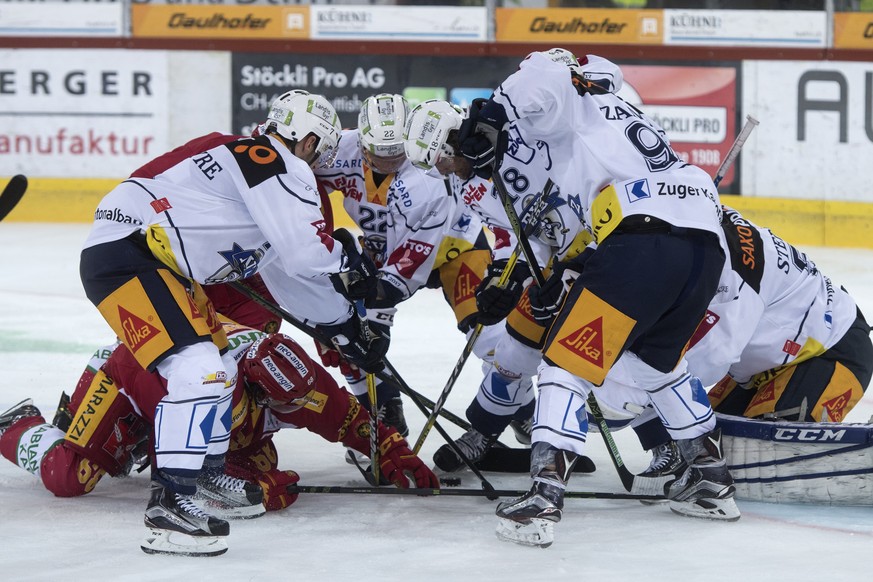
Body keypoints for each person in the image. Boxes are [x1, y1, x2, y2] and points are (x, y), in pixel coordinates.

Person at [77, 89, 389, 555]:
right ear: (305, 139)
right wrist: (348, 255)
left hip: (150, 258)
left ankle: (205, 472)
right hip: (131, 256)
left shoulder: (254, 166)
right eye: (318, 149)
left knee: (220, 370)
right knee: (199, 370)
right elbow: (306, 252)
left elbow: (289, 273)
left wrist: (341, 325)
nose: (319, 161)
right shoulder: (269, 160)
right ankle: (171, 504)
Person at [457, 48, 739, 547]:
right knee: (658, 367)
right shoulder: (621, 111)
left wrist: (494, 112)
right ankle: (711, 483)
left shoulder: (574, 97)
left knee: (565, 364)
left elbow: (543, 70)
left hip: (643, 239)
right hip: (703, 242)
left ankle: (543, 499)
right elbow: (569, 226)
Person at [0, 321, 437, 556]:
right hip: (126, 380)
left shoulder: (292, 375)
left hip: (183, 401)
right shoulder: (210, 386)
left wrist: (391, 449)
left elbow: (345, 417)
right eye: (277, 406)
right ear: (249, 386)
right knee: (71, 476)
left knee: (259, 465)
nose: (292, 413)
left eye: (295, 404)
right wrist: (259, 493)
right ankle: (19, 427)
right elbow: (177, 459)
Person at [400, 54, 632, 472]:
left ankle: (663, 444)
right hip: (557, 257)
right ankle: (483, 433)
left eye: (443, 159)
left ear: (457, 138)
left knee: (618, 352)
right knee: (513, 345)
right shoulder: (471, 185)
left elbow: (570, 80)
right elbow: (511, 236)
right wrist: (503, 278)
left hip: (605, 245)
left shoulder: (524, 124)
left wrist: (500, 117)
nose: (445, 171)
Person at [595, 204, 873, 484]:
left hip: (831, 349)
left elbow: (695, 362)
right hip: (758, 370)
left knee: (759, 455)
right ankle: (666, 445)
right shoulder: (697, 233)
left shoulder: (731, 274)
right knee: (710, 442)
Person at [312, 93, 495, 443]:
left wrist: (379, 310)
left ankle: (514, 413)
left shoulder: (428, 176)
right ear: (360, 139)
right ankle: (383, 408)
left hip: (455, 248)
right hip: (381, 253)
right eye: (378, 154)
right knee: (344, 333)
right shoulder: (338, 150)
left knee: (490, 337)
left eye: (397, 153)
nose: (388, 162)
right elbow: (291, 172)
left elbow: (409, 262)